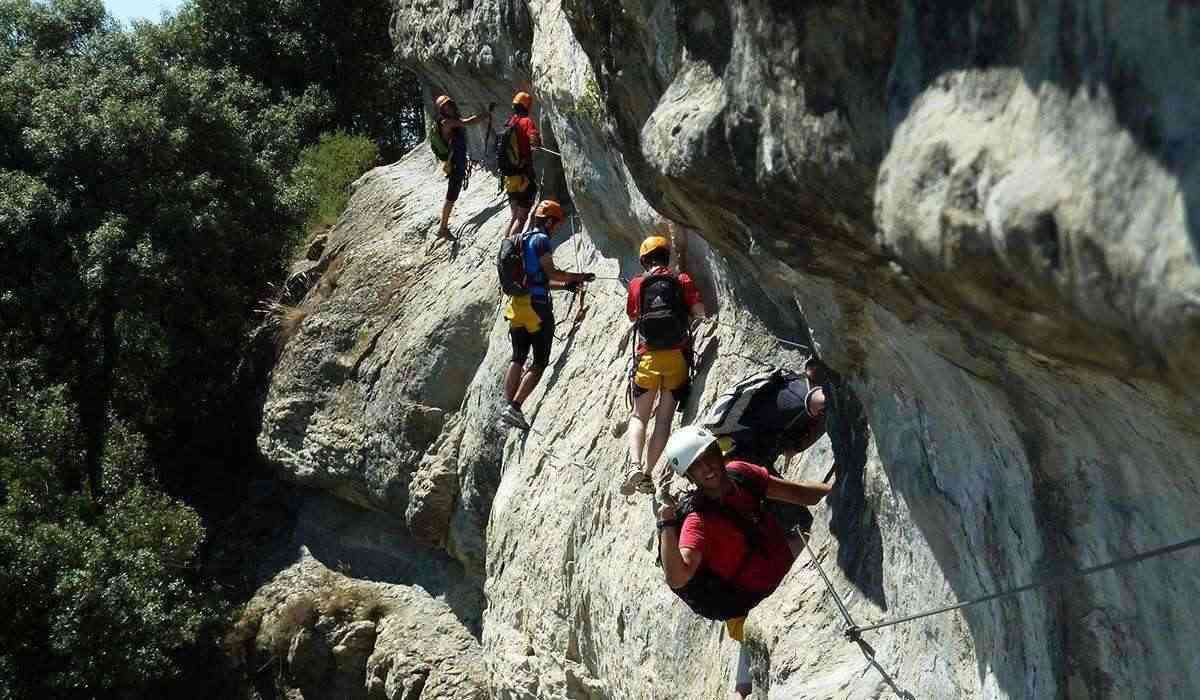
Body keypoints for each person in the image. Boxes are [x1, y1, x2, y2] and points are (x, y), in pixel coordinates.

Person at [656, 425, 833, 699]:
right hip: (752, 601)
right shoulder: (697, 522)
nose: (707, 469)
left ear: (718, 452)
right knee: (744, 686)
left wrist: (840, 490)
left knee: (813, 539)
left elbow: (800, 494)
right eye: (696, 466)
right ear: (690, 476)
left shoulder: (741, 474)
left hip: (780, 564)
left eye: (708, 457)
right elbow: (678, 576)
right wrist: (666, 522)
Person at [619, 235, 705, 496]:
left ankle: (634, 464)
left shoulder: (637, 284)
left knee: (639, 416)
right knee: (664, 420)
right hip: (677, 359)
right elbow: (700, 312)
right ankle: (647, 473)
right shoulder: (682, 280)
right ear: (667, 257)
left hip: (648, 358)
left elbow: (634, 315)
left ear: (644, 260)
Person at [500, 199, 594, 430]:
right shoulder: (541, 241)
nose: (556, 229)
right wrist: (579, 277)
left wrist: (564, 287)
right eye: (557, 225)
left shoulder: (521, 239)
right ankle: (515, 407)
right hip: (536, 308)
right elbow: (552, 272)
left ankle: (508, 405)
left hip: (518, 306)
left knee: (518, 356)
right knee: (540, 361)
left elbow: (536, 280)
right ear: (549, 221)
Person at [703, 357, 833, 475]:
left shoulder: (734, 450)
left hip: (791, 404)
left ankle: (832, 396)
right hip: (790, 389)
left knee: (815, 401)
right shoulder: (731, 442)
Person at [433, 95, 484, 239]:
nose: (448, 108)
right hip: (455, 164)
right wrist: (485, 115)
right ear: (442, 110)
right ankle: (442, 228)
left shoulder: (449, 122)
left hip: (458, 162)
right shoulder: (447, 123)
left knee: (452, 195)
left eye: (449, 105)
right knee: (451, 196)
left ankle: (443, 227)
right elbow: (467, 122)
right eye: (445, 107)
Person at [501, 91, 541, 239]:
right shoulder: (526, 121)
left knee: (514, 217)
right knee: (521, 218)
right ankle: (508, 252)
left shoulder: (510, 122)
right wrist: (537, 142)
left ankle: (504, 248)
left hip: (510, 178)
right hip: (523, 177)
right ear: (527, 106)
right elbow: (534, 140)